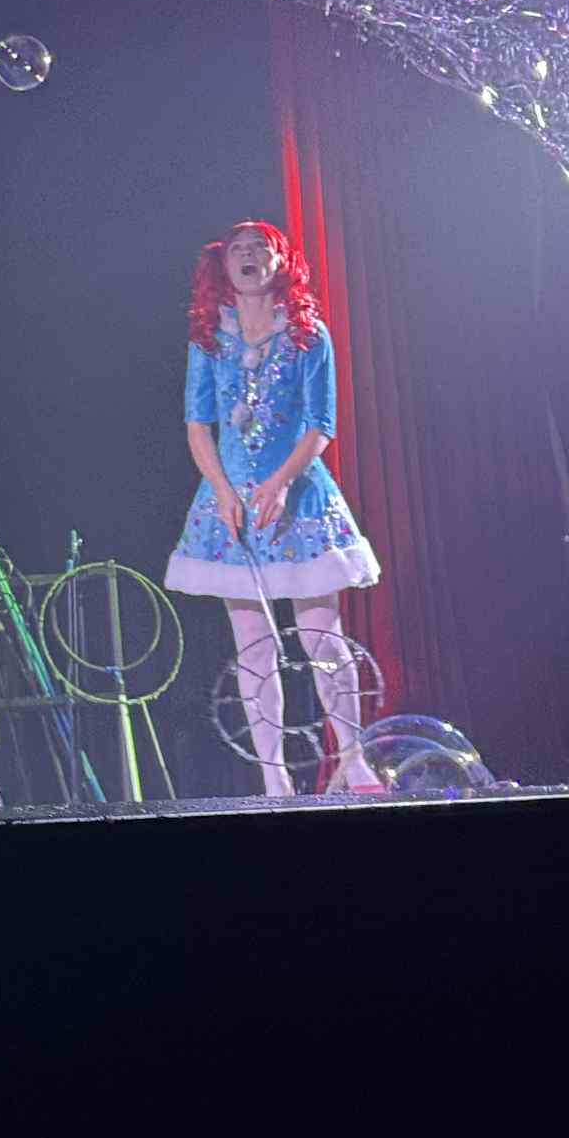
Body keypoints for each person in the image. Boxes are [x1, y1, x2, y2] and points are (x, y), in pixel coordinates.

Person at [165, 221, 381, 797]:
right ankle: (275, 777)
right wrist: (221, 489)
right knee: (254, 646)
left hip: (299, 501)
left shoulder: (308, 334)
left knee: (321, 638)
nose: (249, 255)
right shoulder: (209, 339)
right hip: (231, 505)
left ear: (281, 262)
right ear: (224, 265)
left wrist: (282, 483)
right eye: (238, 249)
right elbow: (197, 424)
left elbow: (320, 425)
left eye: (260, 247)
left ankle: (353, 760)